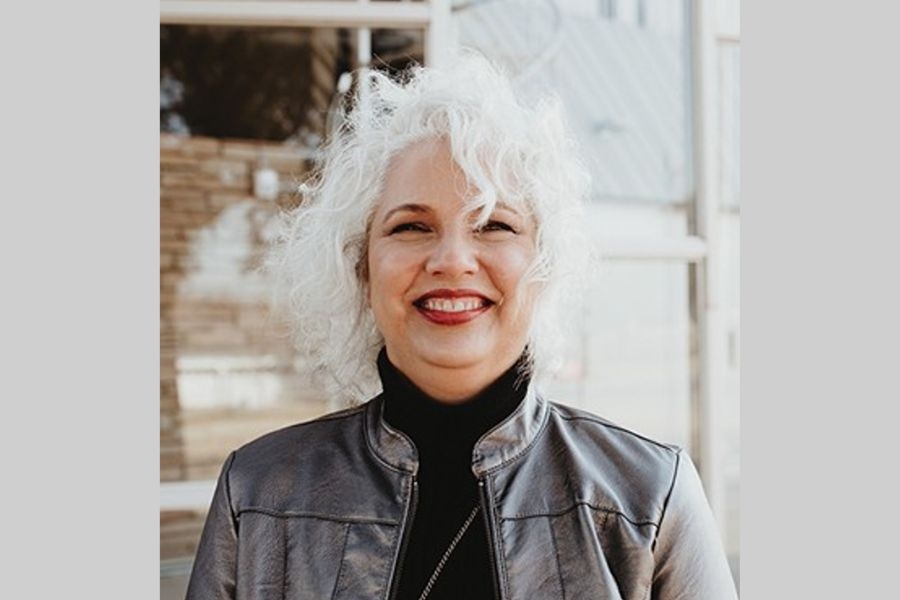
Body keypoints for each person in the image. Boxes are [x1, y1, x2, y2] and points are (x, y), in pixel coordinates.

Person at [185, 53, 738, 600]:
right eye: (411, 226)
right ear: (361, 265)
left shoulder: (649, 497)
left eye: (494, 224)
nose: (452, 260)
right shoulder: (257, 496)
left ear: (542, 265)